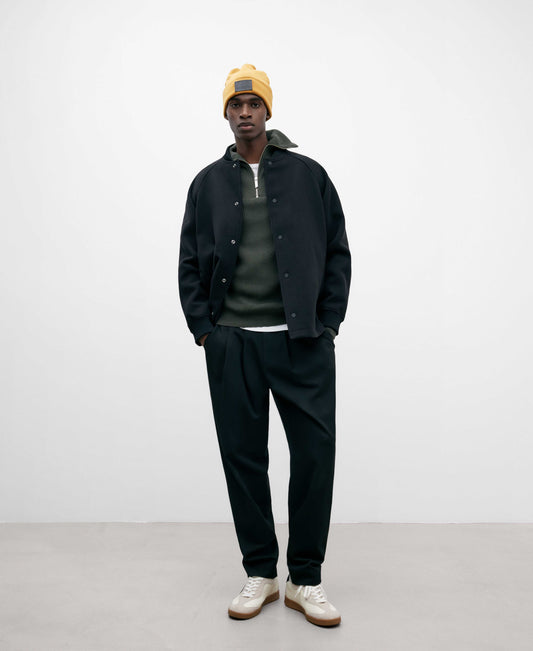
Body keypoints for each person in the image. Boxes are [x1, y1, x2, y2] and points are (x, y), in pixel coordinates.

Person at [178, 63, 351, 627]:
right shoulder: (206, 183)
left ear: (268, 109)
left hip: (302, 342)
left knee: (315, 458)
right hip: (233, 344)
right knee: (243, 459)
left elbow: (337, 250)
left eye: (254, 104)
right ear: (226, 113)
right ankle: (261, 572)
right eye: (236, 104)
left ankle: (306, 578)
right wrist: (206, 331)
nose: (245, 112)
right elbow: (188, 261)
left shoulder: (308, 175)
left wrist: (328, 324)